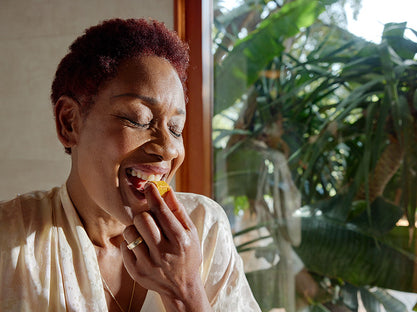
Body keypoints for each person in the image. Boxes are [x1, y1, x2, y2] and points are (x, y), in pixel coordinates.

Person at [0, 18, 261, 312]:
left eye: (176, 128)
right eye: (138, 119)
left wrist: (186, 290)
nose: (167, 149)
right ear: (69, 122)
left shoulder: (205, 228)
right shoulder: (9, 239)